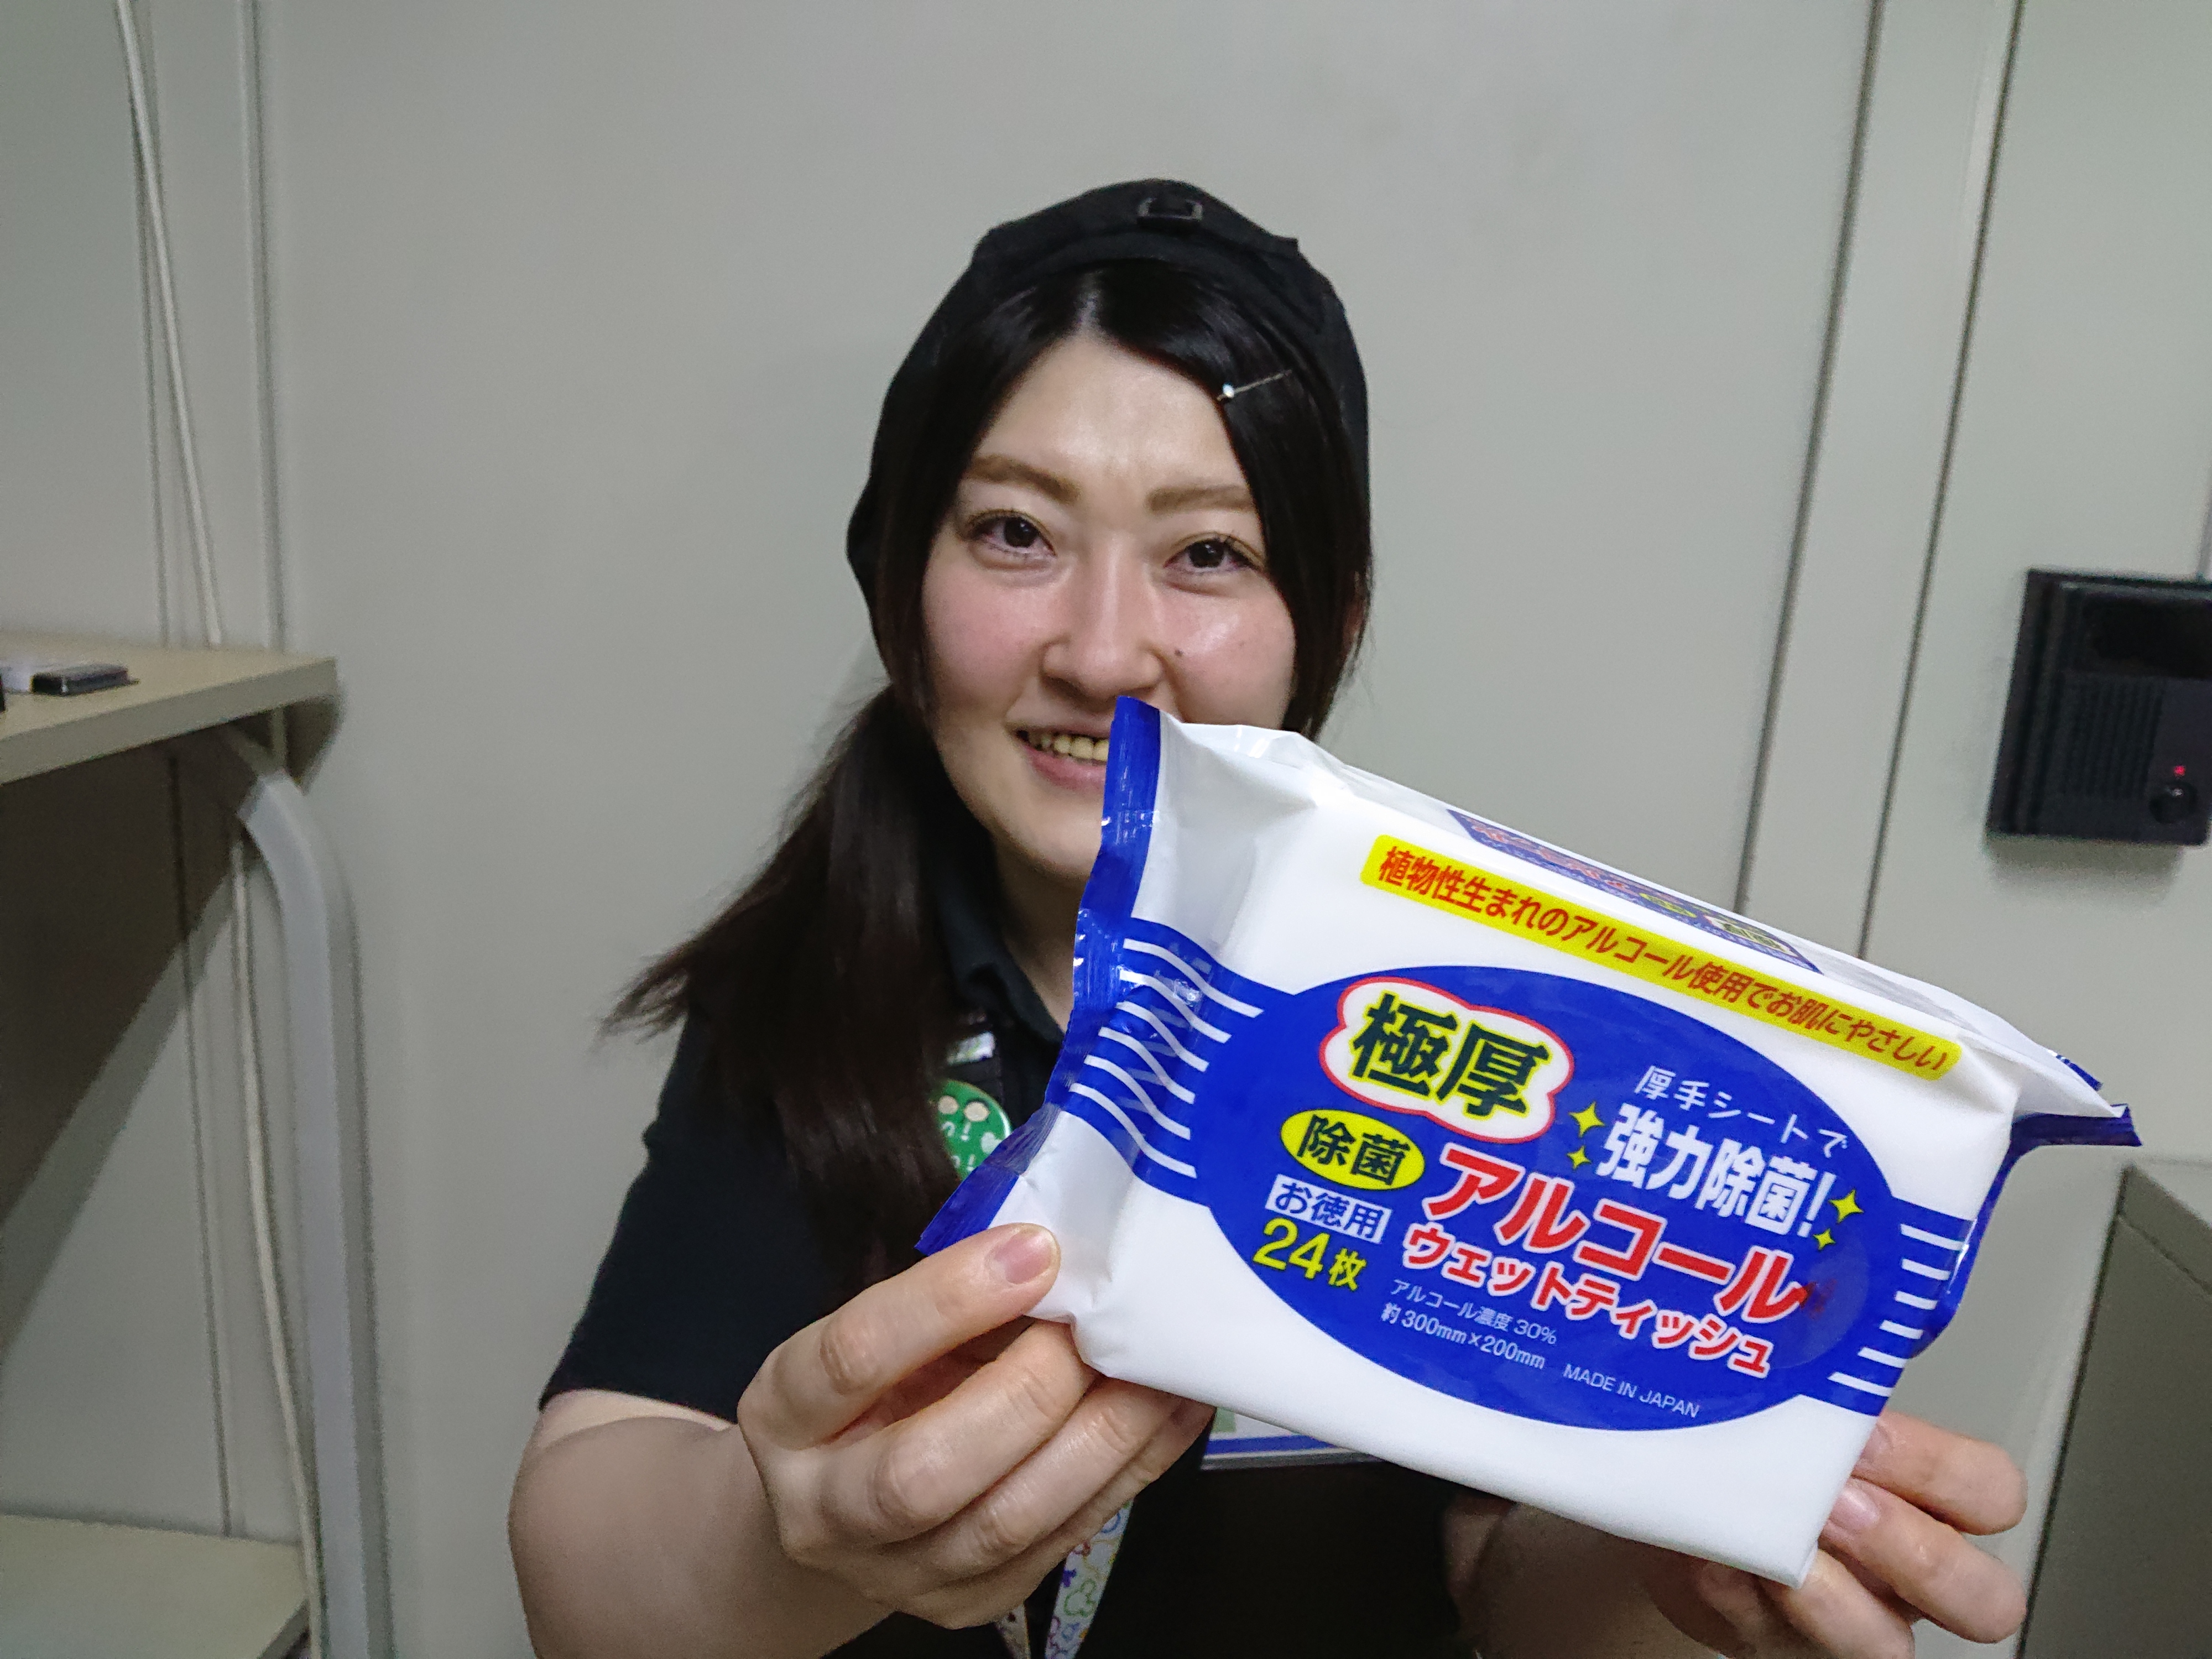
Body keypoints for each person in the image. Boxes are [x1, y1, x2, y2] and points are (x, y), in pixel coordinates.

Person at [509, 180, 2030, 1659]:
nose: (1104, 652)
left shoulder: (1471, 1019)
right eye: (1017, 533)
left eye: (1209, 555)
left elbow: (1503, 1578)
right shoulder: (813, 995)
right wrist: (775, 1544)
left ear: (1331, 621)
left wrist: (1666, 1557)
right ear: (900, 584)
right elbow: (588, 1558)